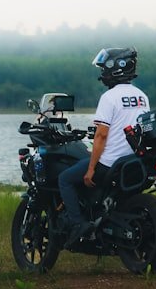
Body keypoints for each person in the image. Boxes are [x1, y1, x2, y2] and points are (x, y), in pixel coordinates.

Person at [58, 47, 150, 245]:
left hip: (110, 163)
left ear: (116, 68)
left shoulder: (109, 97)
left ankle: (78, 224)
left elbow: (101, 136)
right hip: (133, 161)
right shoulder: (142, 96)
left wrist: (91, 169)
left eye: (105, 68)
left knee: (65, 179)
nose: (103, 73)